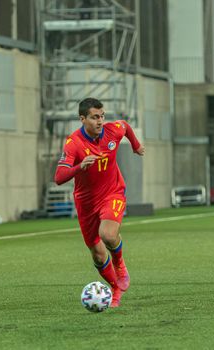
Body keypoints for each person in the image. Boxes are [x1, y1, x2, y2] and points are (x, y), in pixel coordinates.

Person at [54, 98, 145, 307]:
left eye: (102, 116)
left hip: (112, 192)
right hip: (85, 203)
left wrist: (136, 146)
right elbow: (59, 177)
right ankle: (115, 289)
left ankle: (120, 264)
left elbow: (126, 126)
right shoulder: (73, 143)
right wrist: (80, 167)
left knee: (108, 234)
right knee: (97, 254)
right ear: (82, 119)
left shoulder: (113, 131)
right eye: (95, 117)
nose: (100, 121)